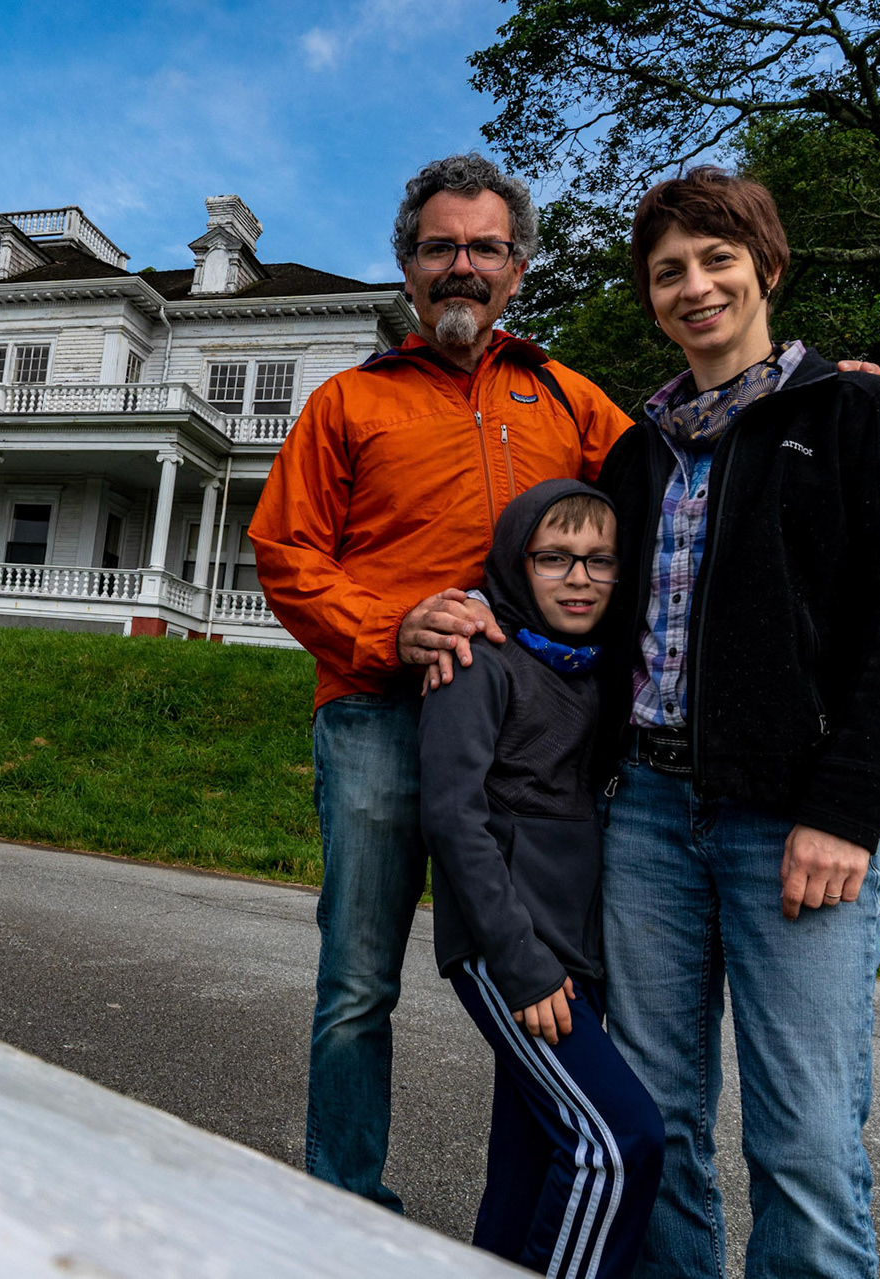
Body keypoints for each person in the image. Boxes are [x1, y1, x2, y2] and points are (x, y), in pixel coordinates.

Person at [249, 153, 635, 1208]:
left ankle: (524, 1220)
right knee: (357, 984)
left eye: (484, 248)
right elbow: (285, 553)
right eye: (439, 248)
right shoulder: (346, 403)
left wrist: (821, 396)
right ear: (407, 266)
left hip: (528, 735)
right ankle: (344, 1204)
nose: (461, 265)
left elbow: (672, 471)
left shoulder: (565, 396)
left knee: (547, 966)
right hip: (376, 716)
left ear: (519, 266)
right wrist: (390, 628)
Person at [591, 167, 880, 1277]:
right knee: (654, 1119)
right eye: (668, 272)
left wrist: (845, 809)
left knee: (803, 1138)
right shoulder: (635, 449)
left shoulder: (858, 410)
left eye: (716, 260)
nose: (694, 287)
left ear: (767, 267)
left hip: (793, 825)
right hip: (646, 818)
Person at [420, 479, 661, 1276]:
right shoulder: (476, 659)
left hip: (577, 952)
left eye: (600, 560)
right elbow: (455, 818)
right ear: (518, 565)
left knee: (528, 1167)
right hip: (511, 950)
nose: (581, 577)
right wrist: (521, 962)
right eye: (555, 558)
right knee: (617, 1142)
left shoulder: (600, 671)